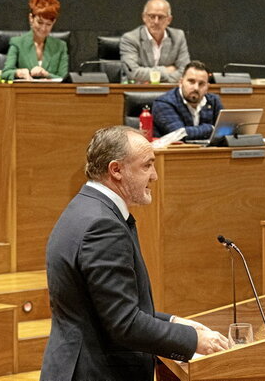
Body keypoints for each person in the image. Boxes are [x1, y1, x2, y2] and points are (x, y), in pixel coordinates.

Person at [41, 126, 228, 380]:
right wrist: (195, 340)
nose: (155, 176)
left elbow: (107, 309)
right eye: (147, 165)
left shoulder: (85, 207)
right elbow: (124, 324)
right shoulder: (102, 226)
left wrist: (173, 322)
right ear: (116, 170)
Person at [121, 0, 190, 83]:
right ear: (144, 17)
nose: (156, 21)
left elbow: (186, 71)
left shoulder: (178, 37)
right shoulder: (130, 39)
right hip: (138, 92)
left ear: (169, 20)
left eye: (161, 17)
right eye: (152, 16)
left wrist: (153, 79)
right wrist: (166, 70)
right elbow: (133, 73)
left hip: (168, 91)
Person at [2, 0, 68, 80]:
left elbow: (64, 79)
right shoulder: (17, 43)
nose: (43, 28)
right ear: (31, 18)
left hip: (52, 92)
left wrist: (46, 74)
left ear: (54, 22)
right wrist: (19, 73)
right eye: (40, 22)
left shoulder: (60, 46)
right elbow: (5, 73)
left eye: (48, 24)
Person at [152, 60, 223, 140]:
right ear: (181, 82)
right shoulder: (163, 103)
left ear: (207, 87)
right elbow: (179, 135)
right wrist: (211, 128)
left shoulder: (214, 101)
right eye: (191, 81)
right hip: (174, 151)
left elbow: (225, 131)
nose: (196, 88)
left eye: (201, 84)